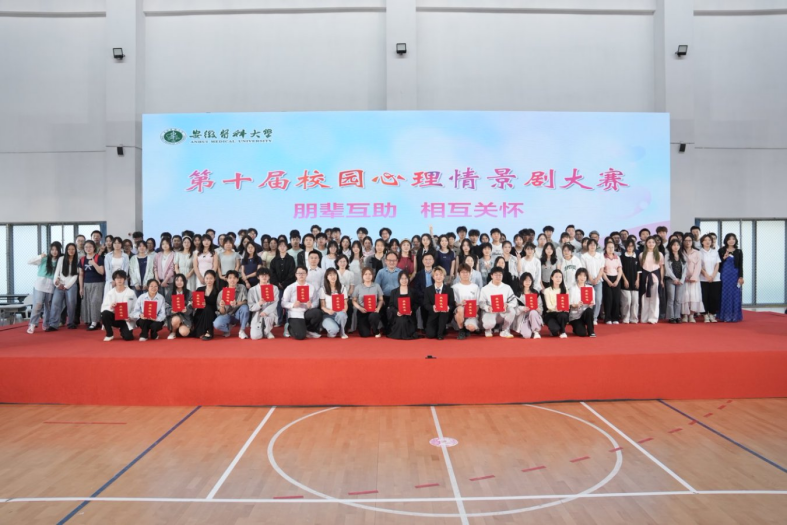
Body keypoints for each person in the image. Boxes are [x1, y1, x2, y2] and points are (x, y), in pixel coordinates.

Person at [27, 242, 61, 334]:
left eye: (56, 250)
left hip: (51, 285)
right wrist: (40, 256)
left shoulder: (60, 261)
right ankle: (32, 324)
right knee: (38, 304)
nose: (54, 251)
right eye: (52, 249)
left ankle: (46, 323)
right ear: (50, 250)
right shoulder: (44, 259)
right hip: (40, 284)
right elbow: (29, 261)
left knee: (48, 306)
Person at [282, 265, 324, 340]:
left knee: (317, 313)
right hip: (295, 314)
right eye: (299, 273)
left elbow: (316, 301)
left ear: (307, 274)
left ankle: (309, 329)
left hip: (307, 312)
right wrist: (293, 305)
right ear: (295, 275)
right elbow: (283, 303)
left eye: (303, 273)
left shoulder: (311, 287)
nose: (301, 275)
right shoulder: (290, 287)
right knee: (300, 336)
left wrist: (311, 305)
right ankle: (288, 327)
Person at [100, 270, 137, 341]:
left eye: (121, 278)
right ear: (114, 280)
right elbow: (104, 308)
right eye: (117, 278)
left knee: (128, 337)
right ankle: (109, 334)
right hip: (114, 318)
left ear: (124, 279)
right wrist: (111, 306)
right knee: (105, 314)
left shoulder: (131, 293)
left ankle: (123, 331)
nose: (119, 280)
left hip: (126, 319)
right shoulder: (110, 293)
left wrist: (131, 317)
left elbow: (135, 308)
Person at [479, 267, 516, 338]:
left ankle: (505, 330)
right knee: (488, 323)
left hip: (502, 313)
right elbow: (481, 303)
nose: (498, 277)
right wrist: (488, 307)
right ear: (491, 275)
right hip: (490, 312)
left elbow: (514, 301)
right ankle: (488, 329)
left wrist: (507, 305)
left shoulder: (507, 287)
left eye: (500, 275)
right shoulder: (485, 289)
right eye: (496, 275)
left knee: (512, 311)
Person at [270, 239, 296, 335]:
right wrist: (277, 283)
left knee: (289, 303)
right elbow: (272, 273)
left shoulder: (291, 259)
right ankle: (279, 320)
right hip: (277, 286)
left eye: (284, 246)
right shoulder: (274, 260)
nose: (282, 247)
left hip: (288, 285)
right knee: (278, 303)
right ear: (278, 247)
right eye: (280, 245)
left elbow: (292, 273)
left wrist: (284, 283)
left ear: (287, 247)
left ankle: (289, 320)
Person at [213, 270, 250, 339]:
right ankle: (227, 329)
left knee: (245, 308)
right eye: (230, 278)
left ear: (237, 279)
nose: (232, 280)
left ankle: (242, 330)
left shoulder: (242, 287)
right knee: (216, 324)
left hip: (238, 314)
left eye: (234, 278)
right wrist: (222, 306)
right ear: (226, 279)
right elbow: (222, 312)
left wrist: (237, 303)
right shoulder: (222, 293)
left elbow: (246, 301)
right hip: (227, 315)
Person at [78, 240, 105, 331]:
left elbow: (101, 272)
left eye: (90, 247)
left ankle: (94, 322)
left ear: (94, 248)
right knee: (87, 302)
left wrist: (94, 264)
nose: (88, 248)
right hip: (86, 284)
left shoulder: (98, 258)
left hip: (98, 283)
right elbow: (81, 274)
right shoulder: (82, 259)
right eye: (86, 247)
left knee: (95, 302)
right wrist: (81, 287)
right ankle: (90, 320)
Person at [51, 242, 79, 330]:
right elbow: (57, 272)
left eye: (73, 249)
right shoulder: (61, 259)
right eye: (69, 249)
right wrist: (57, 283)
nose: (71, 251)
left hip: (71, 285)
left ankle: (70, 323)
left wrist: (67, 286)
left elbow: (75, 276)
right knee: (55, 303)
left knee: (71, 303)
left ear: (75, 250)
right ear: (66, 250)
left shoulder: (77, 260)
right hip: (60, 285)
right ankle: (53, 324)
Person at [423, 267, 455, 340]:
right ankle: (441, 330)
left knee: (443, 313)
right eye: (436, 275)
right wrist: (433, 307)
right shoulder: (428, 290)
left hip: (444, 314)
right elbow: (426, 304)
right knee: (430, 335)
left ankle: (440, 334)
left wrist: (448, 307)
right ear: (433, 277)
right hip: (433, 314)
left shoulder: (449, 290)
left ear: (444, 276)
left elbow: (452, 304)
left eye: (441, 274)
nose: (439, 277)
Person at [718, 233, 744, 323]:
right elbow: (718, 264)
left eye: (733, 239)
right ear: (726, 240)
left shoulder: (739, 251)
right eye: (729, 239)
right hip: (724, 274)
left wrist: (741, 277)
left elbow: (740, 265)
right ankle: (725, 316)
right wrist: (724, 258)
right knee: (725, 293)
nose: (731, 240)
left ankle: (735, 316)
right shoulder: (721, 250)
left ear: (735, 240)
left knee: (735, 294)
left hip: (735, 275)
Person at [352, 267, 384, 338]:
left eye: (370, 274)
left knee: (374, 316)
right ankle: (368, 327)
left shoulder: (376, 286)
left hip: (374, 310)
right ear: (362, 276)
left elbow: (381, 299)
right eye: (365, 274)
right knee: (364, 334)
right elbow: (354, 300)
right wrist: (360, 308)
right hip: (362, 311)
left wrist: (378, 308)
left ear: (372, 275)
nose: (368, 276)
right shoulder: (358, 287)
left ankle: (375, 330)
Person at [452, 263, 482, 340]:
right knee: (460, 309)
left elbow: (477, 304)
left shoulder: (475, 287)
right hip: (459, 314)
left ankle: (467, 327)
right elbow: (453, 303)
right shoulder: (455, 287)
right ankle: (461, 330)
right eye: (462, 272)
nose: (465, 274)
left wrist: (474, 314)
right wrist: (460, 304)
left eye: (467, 272)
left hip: (471, 314)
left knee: (471, 327)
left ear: (470, 273)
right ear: (459, 274)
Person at [639, 237, 664, 324]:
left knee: (655, 298)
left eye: (653, 242)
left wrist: (661, 279)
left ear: (655, 244)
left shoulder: (659, 254)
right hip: (645, 277)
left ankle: (653, 318)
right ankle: (644, 318)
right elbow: (641, 266)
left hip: (655, 277)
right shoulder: (642, 254)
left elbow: (661, 267)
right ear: (646, 243)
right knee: (645, 298)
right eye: (649, 242)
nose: (651, 244)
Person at [248, 268, 279, 340]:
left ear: (269, 277)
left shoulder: (274, 288)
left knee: (270, 316)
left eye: (266, 275)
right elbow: (250, 307)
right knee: (255, 337)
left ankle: (267, 331)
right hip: (257, 313)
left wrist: (266, 311)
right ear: (258, 277)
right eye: (262, 275)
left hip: (269, 313)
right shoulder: (252, 290)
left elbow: (275, 303)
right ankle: (262, 330)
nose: (264, 277)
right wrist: (259, 303)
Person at [374, 252, 401, 333]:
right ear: (385, 261)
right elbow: (377, 287)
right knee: (383, 311)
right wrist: (380, 299)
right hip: (384, 297)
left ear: (397, 261)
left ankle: (395, 328)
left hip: (397, 298)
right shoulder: (381, 272)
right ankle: (386, 328)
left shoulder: (401, 272)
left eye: (394, 260)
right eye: (389, 260)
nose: (392, 262)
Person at [512, 272, 543, 339]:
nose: (528, 282)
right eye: (525, 280)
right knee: (526, 336)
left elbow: (541, 308)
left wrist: (538, 309)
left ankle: (536, 331)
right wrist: (522, 308)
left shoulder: (535, 293)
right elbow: (515, 310)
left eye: (529, 280)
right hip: (523, 317)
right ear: (522, 281)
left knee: (533, 312)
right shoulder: (518, 295)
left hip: (534, 315)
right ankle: (530, 329)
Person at [681, 234, 704, 323]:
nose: (688, 242)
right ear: (683, 241)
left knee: (694, 297)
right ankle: (685, 315)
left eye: (689, 240)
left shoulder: (697, 252)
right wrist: (684, 277)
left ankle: (691, 315)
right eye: (686, 240)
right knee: (685, 297)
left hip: (694, 279)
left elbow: (699, 266)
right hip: (684, 279)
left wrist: (694, 277)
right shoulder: (680, 252)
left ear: (692, 241)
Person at [320, 268, 349, 339]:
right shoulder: (323, 289)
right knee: (334, 331)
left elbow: (345, 303)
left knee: (342, 315)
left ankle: (342, 332)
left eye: (334, 274)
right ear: (327, 277)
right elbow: (322, 306)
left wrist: (344, 310)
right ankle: (333, 330)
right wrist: (328, 311)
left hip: (339, 313)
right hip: (328, 315)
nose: (333, 276)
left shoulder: (342, 288)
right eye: (330, 275)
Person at [581, 239, 604, 323]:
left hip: (598, 281)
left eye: (594, 245)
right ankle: (587, 318)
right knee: (587, 301)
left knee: (598, 299)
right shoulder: (584, 256)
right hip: (587, 281)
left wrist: (597, 279)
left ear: (596, 246)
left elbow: (602, 268)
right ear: (588, 246)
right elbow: (584, 269)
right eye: (590, 244)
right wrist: (591, 279)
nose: (592, 246)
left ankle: (594, 318)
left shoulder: (600, 255)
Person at [699, 234, 721, 323]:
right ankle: (705, 315)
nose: (707, 242)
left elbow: (717, 264)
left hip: (715, 278)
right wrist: (707, 276)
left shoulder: (715, 252)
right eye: (705, 240)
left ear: (711, 242)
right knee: (704, 297)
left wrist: (712, 276)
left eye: (709, 240)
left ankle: (712, 314)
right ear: (702, 242)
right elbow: (699, 266)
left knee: (714, 297)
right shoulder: (699, 252)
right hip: (703, 278)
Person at [192, 269, 220, 340]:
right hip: (200, 312)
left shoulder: (217, 291)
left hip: (212, 313)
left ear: (214, 279)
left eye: (211, 278)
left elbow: (217, 306)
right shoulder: (199, 289)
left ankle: (209, 331)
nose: (209, 280)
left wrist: (206, 304)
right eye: (207, 278)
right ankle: (202, 332)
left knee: (208, 308)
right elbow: (195, 304)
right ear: (204, 279)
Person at [568, 268, 596, 337]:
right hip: (575, 316)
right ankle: (575, 328)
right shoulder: (572, 289)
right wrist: (576, 305)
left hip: (585, 314)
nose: (582, 277)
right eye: (580, 275)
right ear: (577, 276)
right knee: (582, 333)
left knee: (589, 311)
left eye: (584, 276)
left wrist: (591, 303)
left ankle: (591, 331)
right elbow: (569, 304)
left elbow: (592, 303)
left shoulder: (590, 288)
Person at [542, 269, 569, 338]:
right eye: (556, 277)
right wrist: (556, 307)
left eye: (560, 277)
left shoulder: (565, 289)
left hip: (561, 313)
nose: (558, 279)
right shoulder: (547, 290)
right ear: (552, 277)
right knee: (555, 330)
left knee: (563, 315)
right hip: (551, 313)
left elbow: (567, 303)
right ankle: (555, 329)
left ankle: (563, 331)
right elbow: (549, 306)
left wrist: (564, 308)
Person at [664, 239, 687, 324]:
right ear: (671, 246)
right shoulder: (667, 255)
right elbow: (667, 269)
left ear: (680, 246)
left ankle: (677, 316)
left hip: (680, 281)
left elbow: (685, 269)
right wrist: (674, 278)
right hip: (670, 280)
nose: (676, 247)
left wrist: (682, 279)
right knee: (671, 299)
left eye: (677, 245)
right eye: (674, 245)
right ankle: (671, 317)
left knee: (678, 299)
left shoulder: (683, 256)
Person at [620, 238, 641, 324]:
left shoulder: (636, 257)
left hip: (634, 282)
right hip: (625, 282)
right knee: (627, 301)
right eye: (628, 246)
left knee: (635, 301)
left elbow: (639, 270)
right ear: (626, 247)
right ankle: (625, 318)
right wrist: (625, 280)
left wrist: (638, 280)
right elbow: (620, 270)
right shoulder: (622, 257)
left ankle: (634, 318)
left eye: (632, 246)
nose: (630, 248)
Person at [601, 240, 622, 324]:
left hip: (616, 278)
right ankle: (608, 318)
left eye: (612, 247)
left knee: (616, 299)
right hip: (607, 279)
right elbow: (602, 271)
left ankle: (615, 318)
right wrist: (608, 281)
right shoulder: (603, 257)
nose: (610, 249)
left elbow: (620, 270)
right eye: (609, 247)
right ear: (605, 248)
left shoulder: (617, 257)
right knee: (608, 299)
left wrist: (617, 280)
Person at [167, 273, 193, 339]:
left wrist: (186, 310)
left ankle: (179, 329)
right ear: (174, 282)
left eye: (181, 280)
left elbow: (191, 305)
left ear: (184, 282)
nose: (179, 282)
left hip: (185, 317)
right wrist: (171, 311)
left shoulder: (189, 293)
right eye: (177, 280)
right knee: (176, 319)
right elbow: (166, 304)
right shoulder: (170, 292)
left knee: (184, 333)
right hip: (174, 316)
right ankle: (173, 332)